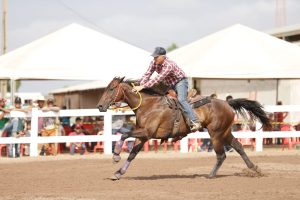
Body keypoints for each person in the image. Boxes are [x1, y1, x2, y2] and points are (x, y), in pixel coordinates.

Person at [132, 47, 201, 132]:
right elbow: (147, 74)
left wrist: (142, 87)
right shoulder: (153, 62)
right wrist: (140, 84)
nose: (154, 59)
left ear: (163, 57)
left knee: (181, 99)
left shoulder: (169, 65)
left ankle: (195, 121)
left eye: (156, 57)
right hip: (168, 83)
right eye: (154, 57)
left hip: (180, 82)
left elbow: (158, 78)